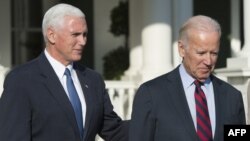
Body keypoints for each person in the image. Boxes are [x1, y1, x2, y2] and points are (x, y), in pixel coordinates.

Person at [0, 3, 128, 141]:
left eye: (84, 34)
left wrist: (152, 114)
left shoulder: (93, 80)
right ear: (51, 35)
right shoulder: (21, 81)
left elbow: (114, 130)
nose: (83, 41)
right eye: (75, 34)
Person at [129, 15, 246, 141]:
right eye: (201, 53)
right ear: (182, 49)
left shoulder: (233, 97)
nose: (208, 61)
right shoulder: (151, 94)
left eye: (214, 53)